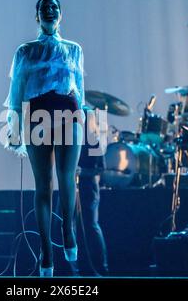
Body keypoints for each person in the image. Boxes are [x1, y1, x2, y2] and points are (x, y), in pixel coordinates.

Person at [3, 0, 85, 277]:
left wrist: (82, 116)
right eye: (44, 8)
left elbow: (81, 89)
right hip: (37, 114)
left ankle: (67, 228)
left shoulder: (74, 50)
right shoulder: (25, 51)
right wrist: (14, 126)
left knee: (66, 176)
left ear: (60, 15)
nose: (50, 10)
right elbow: (16, 92)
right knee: (43, 186)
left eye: (54, 7)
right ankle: (46, 252)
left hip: (68, 111)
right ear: (37, 17)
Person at [74, 106, 109, 276]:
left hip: (89, 187)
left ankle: (100, 267)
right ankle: (76, 268)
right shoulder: (74, 138)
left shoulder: (94, 139)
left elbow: (101, 168)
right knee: (69, 225)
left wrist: (82, 171)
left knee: (90, 225)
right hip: (74, 187)